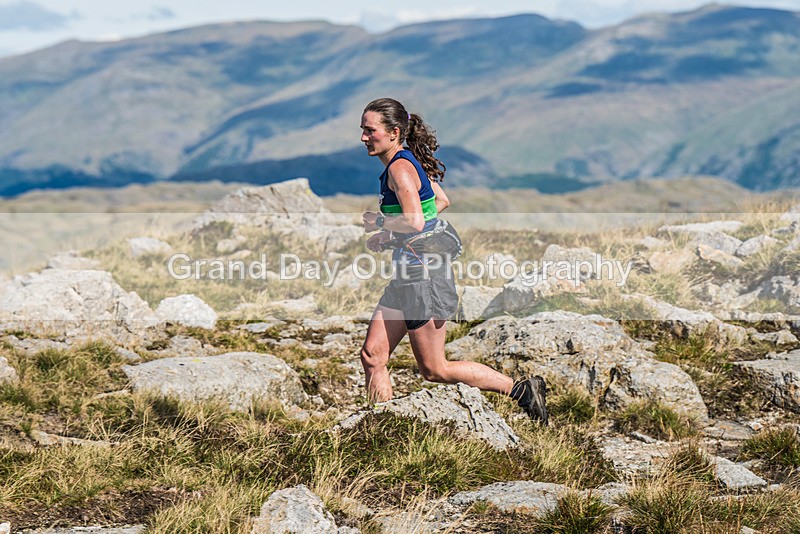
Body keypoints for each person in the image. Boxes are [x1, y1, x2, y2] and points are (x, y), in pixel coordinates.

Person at [358, 97, 548, 424]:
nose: (363, 137)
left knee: (434, 369)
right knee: (372, 356)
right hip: (407, 274)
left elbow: (415, 221)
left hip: (425, 278)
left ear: (393, 132)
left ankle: (521, 390)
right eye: (362, 130)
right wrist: (391, 236)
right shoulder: (403, 163)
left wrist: (380, 223)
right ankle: (380, 430)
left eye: (369, 130)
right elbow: (439, 202)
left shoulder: (401, 170)